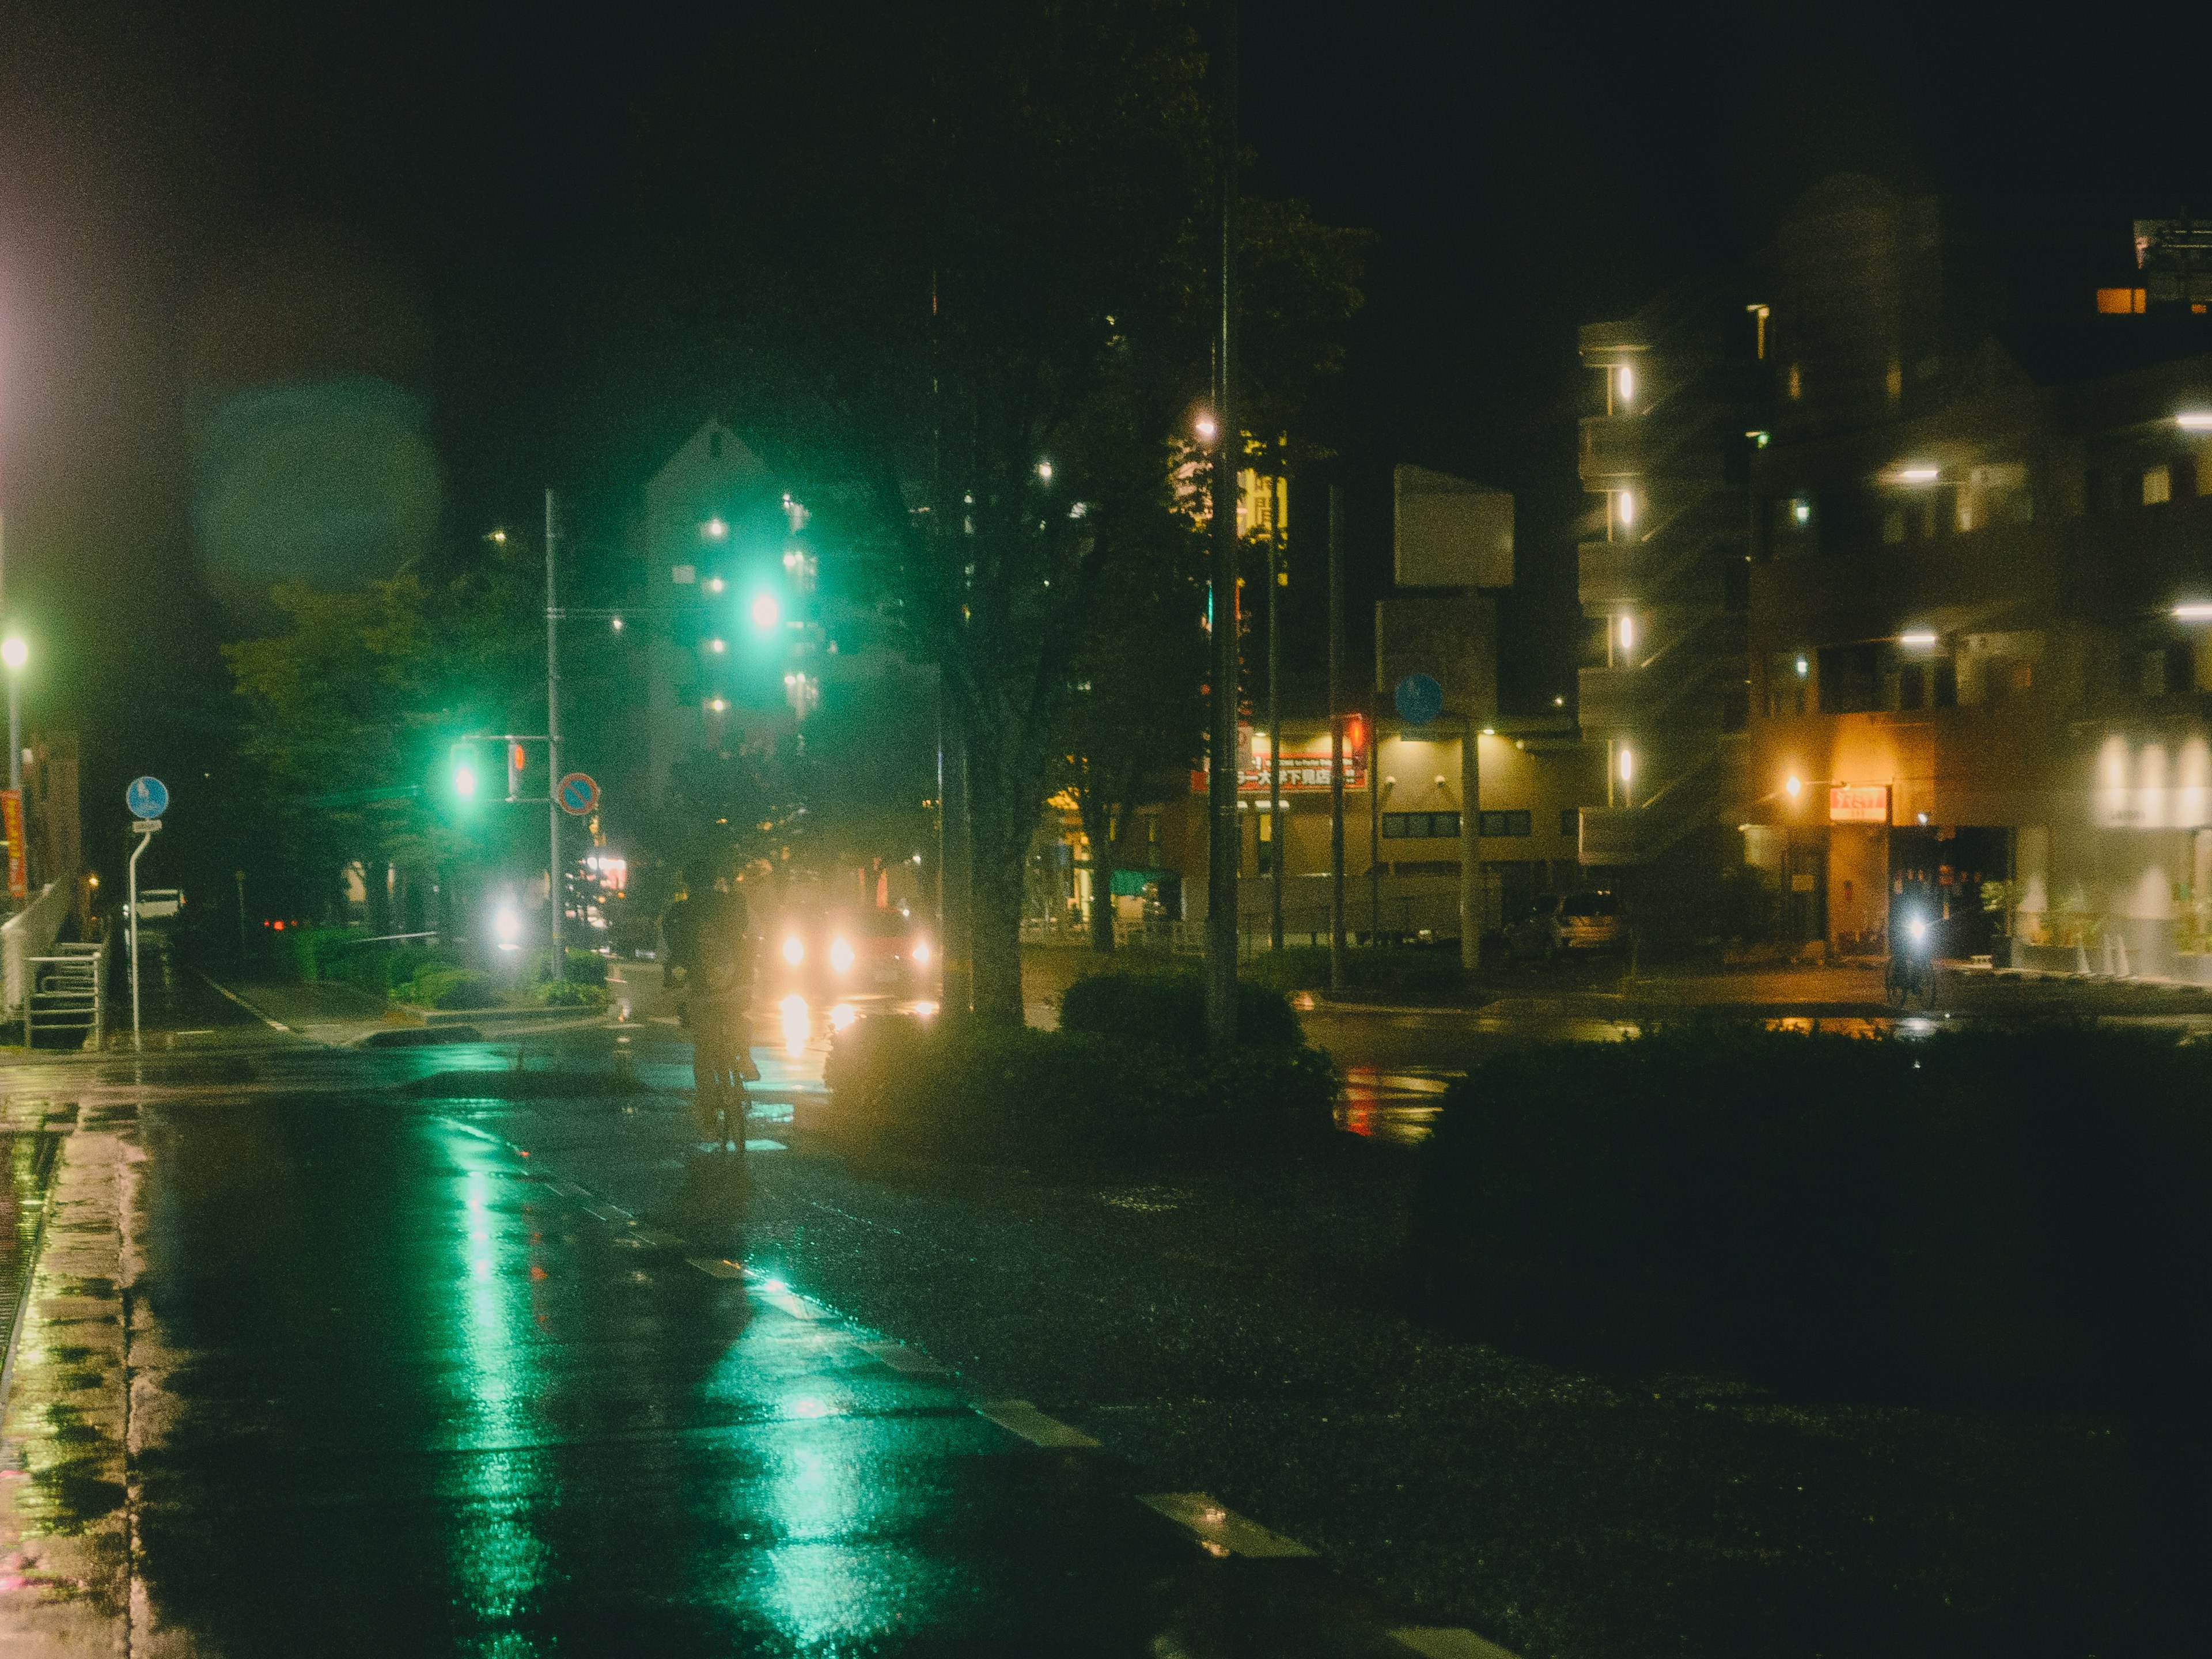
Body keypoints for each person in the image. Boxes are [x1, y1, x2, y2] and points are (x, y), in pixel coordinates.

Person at [663, 857, 757, 1148]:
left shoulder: (679, 913)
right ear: (716, 878)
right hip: (739, 984)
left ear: (688, 883)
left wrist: (674, 981)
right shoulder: (735, 903)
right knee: (740, 1016)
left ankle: (707, 1114)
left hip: (702, 992)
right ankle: (744, 1056)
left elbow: (673, 953)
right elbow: (751, 934)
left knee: (704, 1054)